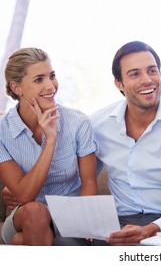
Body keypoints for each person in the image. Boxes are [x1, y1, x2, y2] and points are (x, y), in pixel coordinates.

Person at [54, 41, 161, 246]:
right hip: (116, 224)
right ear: (119, 83)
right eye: (135, 74)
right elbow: (78, 175)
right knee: (63, 241)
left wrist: (148, 230)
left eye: (152, 71)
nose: (147, 80)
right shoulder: (99, 124)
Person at [0, 47, 97, 245]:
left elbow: (89, 182)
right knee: (35, 211)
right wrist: (50, 141)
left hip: (70, 217)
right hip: (26, 216)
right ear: (17, 88)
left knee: (21, 242)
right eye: (39, 79)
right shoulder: (3, 131)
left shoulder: (78, 122)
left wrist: (86, 220)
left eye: (52, 76)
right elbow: (25, 195)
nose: (51, 86)